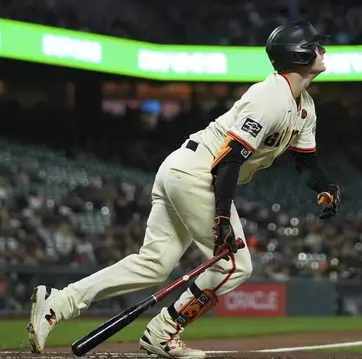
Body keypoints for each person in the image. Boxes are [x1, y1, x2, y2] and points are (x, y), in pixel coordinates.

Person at [26, 20, 341, 358]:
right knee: (235, 266)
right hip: (199, 173)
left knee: (153, 265)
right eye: (316, 45)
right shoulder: (271, 97)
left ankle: (59, 301)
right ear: (300, 53)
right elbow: (229, 160)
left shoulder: (303, 106)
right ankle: (163, 331)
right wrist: (221, 217)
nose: (322, 50)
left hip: (183, 168)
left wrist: (324, 187)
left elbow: (306, 161)